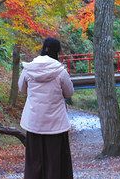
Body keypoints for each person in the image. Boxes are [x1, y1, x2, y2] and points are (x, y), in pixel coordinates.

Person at [19, 37, 74, 179]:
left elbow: (22, 89)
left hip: (34, 121)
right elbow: (69, 92)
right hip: (56, 123)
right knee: (55, 159)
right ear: (57, 51)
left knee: (34, 159)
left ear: (43, 48)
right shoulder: (60, 71)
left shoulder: (29, 69)